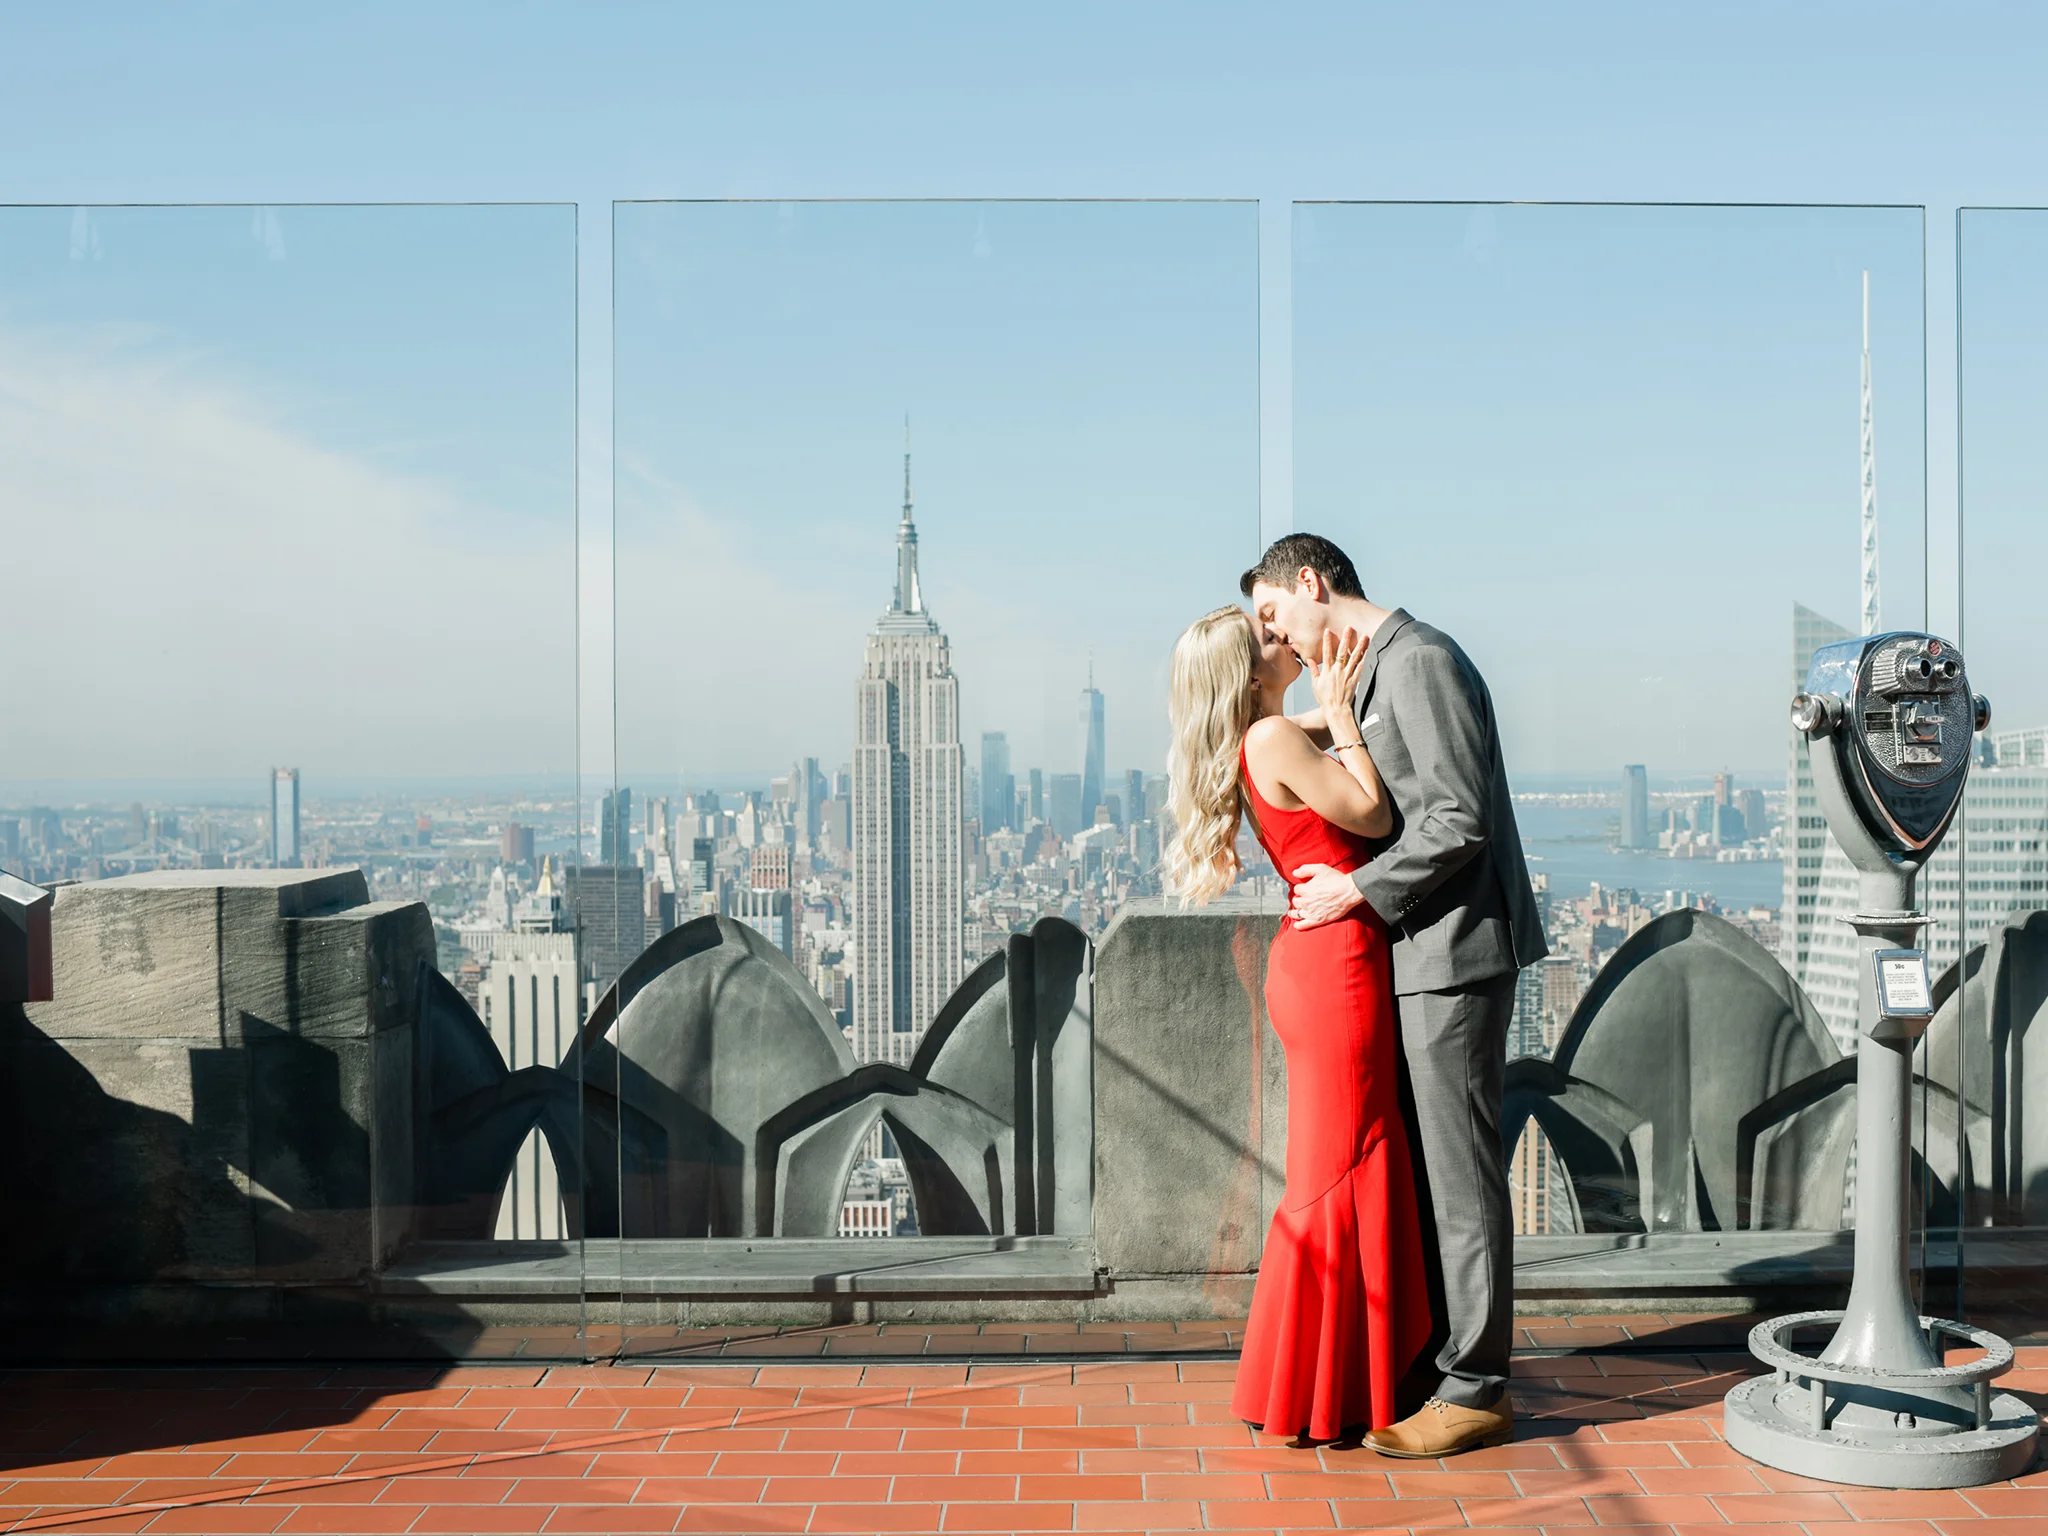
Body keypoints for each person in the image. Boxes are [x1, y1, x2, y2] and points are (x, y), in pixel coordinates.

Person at [1242, 531, 1547, 1459]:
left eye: (1272, 614)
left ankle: (1478, 1386)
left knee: (1459, 1175)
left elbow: (1459, 814)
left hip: (1452, 956)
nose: (1277, 635)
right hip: (1411, 958)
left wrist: (1357, 893)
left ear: (1312, 582)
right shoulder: (1367, 677)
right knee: (1423, 1172)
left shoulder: (1418, 662)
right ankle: (1431, 1364)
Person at [1165, 604, 1432, 1443]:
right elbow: (1374, 817)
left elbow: (1304, 722)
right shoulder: (1275, 742)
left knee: (1338, 1163)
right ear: (1249, 674)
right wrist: (1347, 719)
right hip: (1336, 966)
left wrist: (1336, 701)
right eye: (1268, 641)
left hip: (1315, 960)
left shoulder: (1264, 735)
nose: (1285, 640)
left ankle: (1322, 1381)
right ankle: (1326, 1389)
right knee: (1342, 1167)